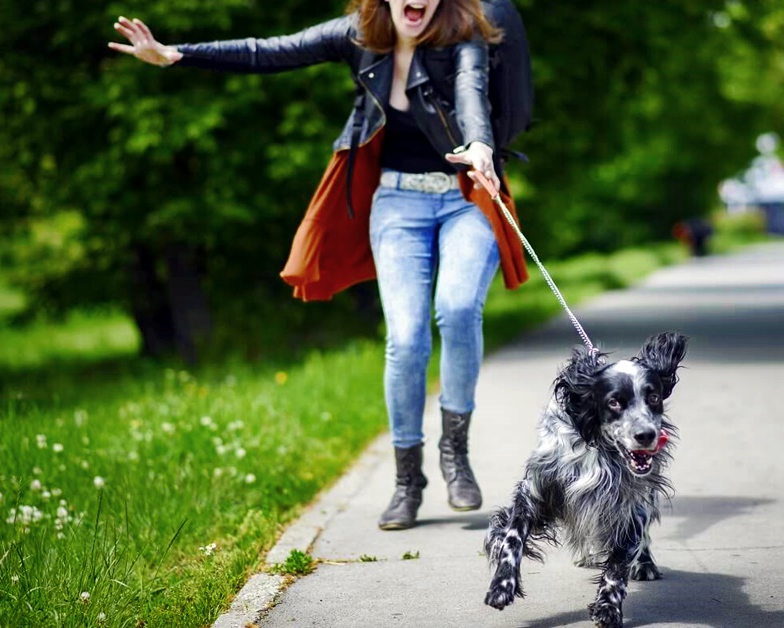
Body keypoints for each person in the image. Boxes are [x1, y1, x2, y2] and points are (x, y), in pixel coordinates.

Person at [109, 0, 530, 531]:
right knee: (405, 338)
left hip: (464, 196)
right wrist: (177, 54)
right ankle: (407, 480)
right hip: (396, 203)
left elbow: (471, 93)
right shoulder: (358, 34)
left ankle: (454, 451)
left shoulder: (463, 35)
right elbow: (270, 51)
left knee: (458, 307)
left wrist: (481, 146)